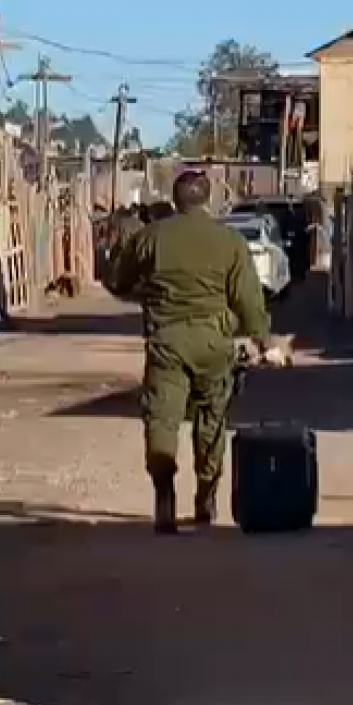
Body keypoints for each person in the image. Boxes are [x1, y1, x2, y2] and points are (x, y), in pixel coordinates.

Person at [108, 171, 286, 534]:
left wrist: (146, 290)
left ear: (175, 200)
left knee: (162, 420)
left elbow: (117, 280)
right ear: (207, 199)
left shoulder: (151, 237)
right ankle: (206, 497)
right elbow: (248, 299)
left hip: (167, 343)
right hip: (214, 344)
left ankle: (164, 495)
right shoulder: (229, 241)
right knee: (211, 423)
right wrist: (265, 343)